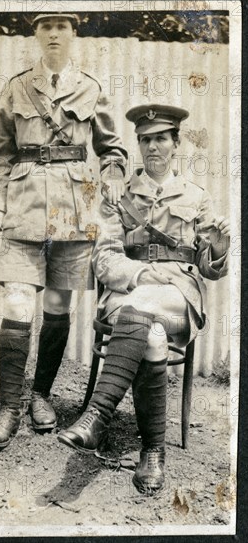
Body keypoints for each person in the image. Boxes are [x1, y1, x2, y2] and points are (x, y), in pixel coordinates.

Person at [58, 104, 230, 494]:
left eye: (161, 139)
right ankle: (153, 451)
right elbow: (103, 257)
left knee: (144, 312)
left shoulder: (197, 197)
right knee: (149, 334)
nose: (153, 147)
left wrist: (219, 248)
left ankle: (97, 415)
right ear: (138, 144)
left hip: (178, 296)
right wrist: (138, 274)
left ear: (176, 143)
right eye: (145, 140)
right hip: (128, 291)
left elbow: (209, 268)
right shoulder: (118, 196)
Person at [0, 13, 127, 447]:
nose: (53, 34)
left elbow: (112, 148)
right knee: (19, 302)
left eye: (62, 27)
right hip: (23, 210)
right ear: (37, 35)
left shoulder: (91, 88)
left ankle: (40, 396)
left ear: (73, 34)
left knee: (59, 308)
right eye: (46, 27)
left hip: (74, 212)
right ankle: (9, 408)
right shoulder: (17, 86)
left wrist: (116, 171)